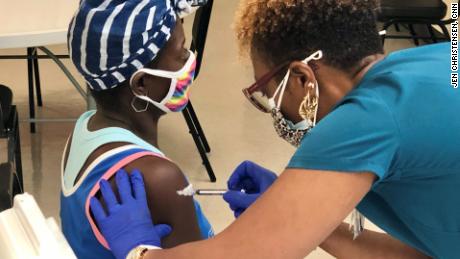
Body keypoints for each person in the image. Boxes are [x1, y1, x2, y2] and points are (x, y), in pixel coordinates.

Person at [90, 0, 460, 258]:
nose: (274, 110)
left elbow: (239, 256)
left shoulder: (366, 121)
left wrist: (138, 249)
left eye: (267, 93)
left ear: (301, 77)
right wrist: (308, 223)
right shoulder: (433, 58)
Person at [60, 1, 213, 258]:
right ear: (141, 83)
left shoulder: (84, 127)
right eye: (181, 52)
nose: (189, 60)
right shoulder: (158, 178)